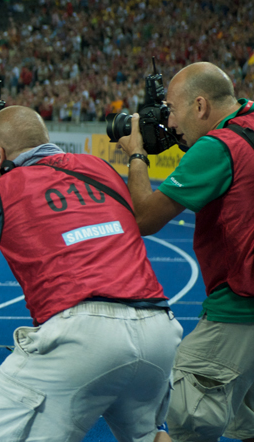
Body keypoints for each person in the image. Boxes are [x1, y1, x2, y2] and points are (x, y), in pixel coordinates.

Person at [0, 106, 182, 442]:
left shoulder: (1, 192)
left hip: (81, 331)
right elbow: (139, 215)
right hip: (158, 329)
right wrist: (136, 155)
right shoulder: (100, 168)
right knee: (150, 436)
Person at [117, 62, 254, 442]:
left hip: (240, 307)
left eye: (172, 112)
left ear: (200, 106)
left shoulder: (219, 147)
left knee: (186, 418)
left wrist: (136, 154)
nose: (171, 124)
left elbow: (144, 219)